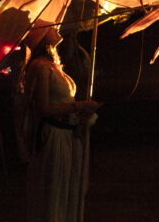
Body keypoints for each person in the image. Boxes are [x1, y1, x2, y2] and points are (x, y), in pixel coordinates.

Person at [22, 21, 101, 222]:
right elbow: (43, 108)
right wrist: (79, 106)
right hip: (53, 136)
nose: (56, 28)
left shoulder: (54, 66)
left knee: (66, 190)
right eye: (50, 27)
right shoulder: (40, 67)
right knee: (53, 191)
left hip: (67, 134)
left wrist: (79, 114)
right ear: (41, 36)